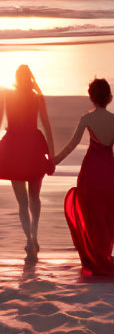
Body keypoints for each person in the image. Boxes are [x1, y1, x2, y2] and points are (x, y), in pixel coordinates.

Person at [53, 78, 114, 282]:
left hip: (90, 174)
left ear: (91, 97)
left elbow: (71, 146)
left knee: (91, 217)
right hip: (108, 174)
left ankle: (95, 259)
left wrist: (54, 162)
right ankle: (102, 256)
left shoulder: (87, 119)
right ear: (109, 97)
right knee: (106, 218)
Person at [0, 65, 56, 261]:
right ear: (30, 78)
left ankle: (29, 239)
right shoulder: (37, 97)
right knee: (35, 197)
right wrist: (52, 154)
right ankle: (34, 235)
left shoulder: (6, 95)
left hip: (13, 148)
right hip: (33, 147)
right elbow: (47, 126)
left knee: (22, 203)